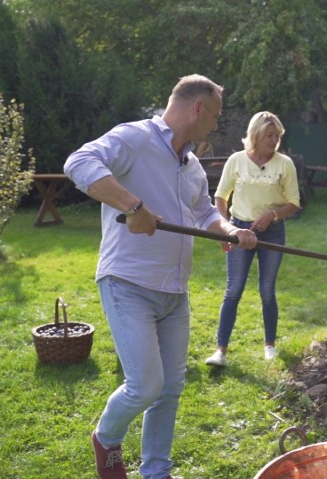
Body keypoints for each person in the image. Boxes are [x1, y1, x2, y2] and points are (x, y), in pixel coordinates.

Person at [64, 74, 257, 479]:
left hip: (175, 292)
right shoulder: (134, 138)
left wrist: (231, 231)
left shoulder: (191, 165)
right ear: (198, 108)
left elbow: (206, 213)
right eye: (216, 116)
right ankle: (106, 436)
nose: (217, 125)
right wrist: (134, 207)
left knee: (169, 390)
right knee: (146, 385)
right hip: (128, 284)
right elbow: (78, 163)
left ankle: (156, 471)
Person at [205, 111, 300, 367]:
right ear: (256, 134)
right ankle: (221, 351)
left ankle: (270, 346)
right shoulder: (236, 160)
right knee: (233, 290)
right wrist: (226, 230)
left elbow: (293, 204)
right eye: (270, 135)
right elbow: (221, 197)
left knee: (267, 290)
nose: (274, 140)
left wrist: (273, 215)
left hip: (272, 232)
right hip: (238, 230)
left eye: (277, 136)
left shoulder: (284, 164)